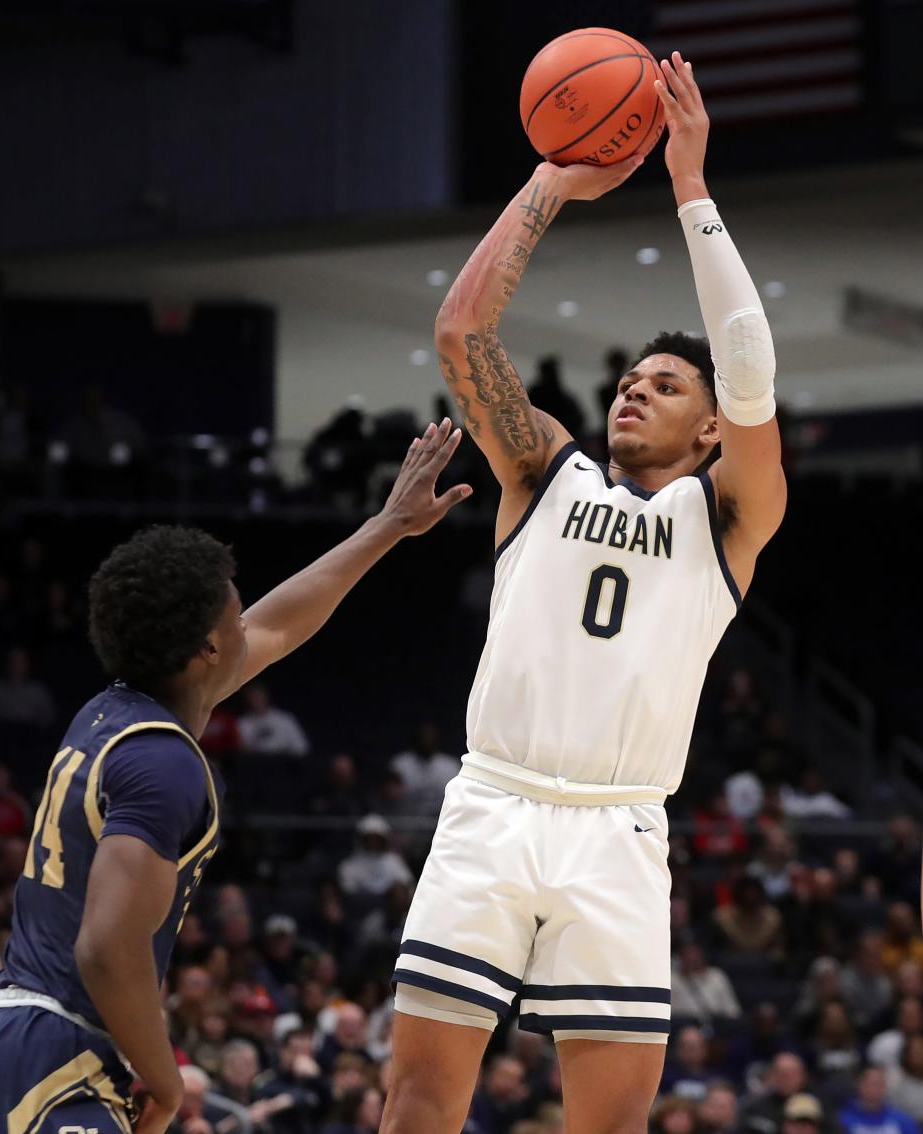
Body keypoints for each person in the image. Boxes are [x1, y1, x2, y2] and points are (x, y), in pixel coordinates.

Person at [385, 53, 785, 1134]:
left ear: (710, 429)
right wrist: (551, 184)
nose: (632, 394)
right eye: (627, 382)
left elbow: (751, 365)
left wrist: (691, 189)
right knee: (419, 1101)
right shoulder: (543, 472)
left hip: (619, 832)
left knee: (605, 1126)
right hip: (493, 805)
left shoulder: (727, 518)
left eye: (664, 387)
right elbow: (464, 338)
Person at [0, 422, 470, 1134]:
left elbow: (281, 628)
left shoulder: (111, 712)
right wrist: (167, 1083)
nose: (247, 622)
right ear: (205, 648)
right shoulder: (164, 761)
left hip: (3, 1041)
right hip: (54, 1061)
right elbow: (107, 948)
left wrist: (388, 526)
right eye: (235, 612)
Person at [838, 1066, 919, 1134]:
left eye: (880, 1084)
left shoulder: (901, 1120)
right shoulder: (843, 1119)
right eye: (871, 1084)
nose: (875, 1089)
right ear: (859, 1085)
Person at [237, 682, 310, 758]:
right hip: (256, 764)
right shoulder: (242, 723)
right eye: (253, 697)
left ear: (266, 697)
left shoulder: (284, 719)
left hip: (283, 763)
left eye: (259, 696)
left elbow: (301, 747)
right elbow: (241, 751)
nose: (256, 701)